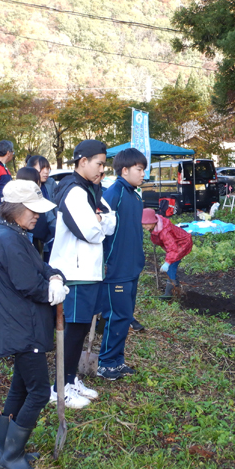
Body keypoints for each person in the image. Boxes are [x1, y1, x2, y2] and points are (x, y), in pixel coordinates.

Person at [0, 180, 65, 469]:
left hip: (22, 324)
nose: (38, 216)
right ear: (15, 208)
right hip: (21, 327)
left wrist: (54, 276)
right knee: (39, 391)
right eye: (32, 210)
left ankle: (4, 450)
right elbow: (28, 284)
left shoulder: (16, 234)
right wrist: (51, 292)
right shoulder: (8, 240)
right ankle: (12, 455)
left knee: (20, 387)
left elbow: (40, 267)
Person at [49, 140, 115, 405]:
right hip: (74, 272)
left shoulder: (91, 189)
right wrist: (99, 221)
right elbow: (90, 232)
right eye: (99, 163)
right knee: (73, 331)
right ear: (83, 161)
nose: (102, 169)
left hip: (89, 271)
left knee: (80, 329)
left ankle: (70, 379)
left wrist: (100, 219)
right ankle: (59, 388)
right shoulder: (74, 191)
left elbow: (111, 221)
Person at [98, 148, 147, 380]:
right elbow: (101, 231)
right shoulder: (113, 194)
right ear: (124, 170)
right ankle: (106, 364)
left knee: (125, 316)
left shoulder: (135, 195)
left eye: (144, 170)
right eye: (139, 169)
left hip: (132, 266)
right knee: (116, 316)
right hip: (116, 268)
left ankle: (117, 361)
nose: (143, 174)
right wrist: (106, 263)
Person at [142, 208, 193, 298]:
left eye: (147, 224)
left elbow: (173, 249)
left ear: (154, 221)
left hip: (182, 243)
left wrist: (167, 262)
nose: (145, 226)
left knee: (171, 265)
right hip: (174, 243)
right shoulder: (155, 226)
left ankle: (170, 292)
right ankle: (175, 285)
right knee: (171, 264)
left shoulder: (164, 232)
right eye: (143, 224)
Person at [28, 155, 57, 262]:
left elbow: (57, 205)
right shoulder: (28, 187)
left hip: (54, 227)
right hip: (37, 230)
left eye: (48, 168)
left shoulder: (51, 183)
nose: (46, 172)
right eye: (42, 168)